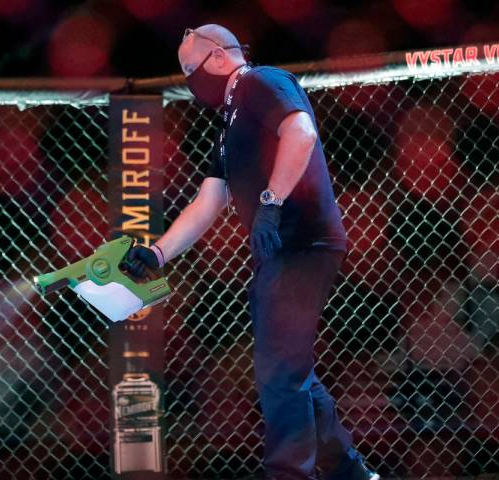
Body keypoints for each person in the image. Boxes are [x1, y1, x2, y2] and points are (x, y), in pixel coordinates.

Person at [125, 24, 378, 480]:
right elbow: (209, 200)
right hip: (279, 251)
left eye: (191, 69)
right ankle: (349, 473)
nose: (189, 81)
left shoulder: (261, 82)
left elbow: (301, 131)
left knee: (278, 370)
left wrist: (270, 202)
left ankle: (289, 473)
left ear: (220, 57)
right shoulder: (228, 123)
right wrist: (158, 253)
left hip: (304, 241)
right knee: (290, 367)